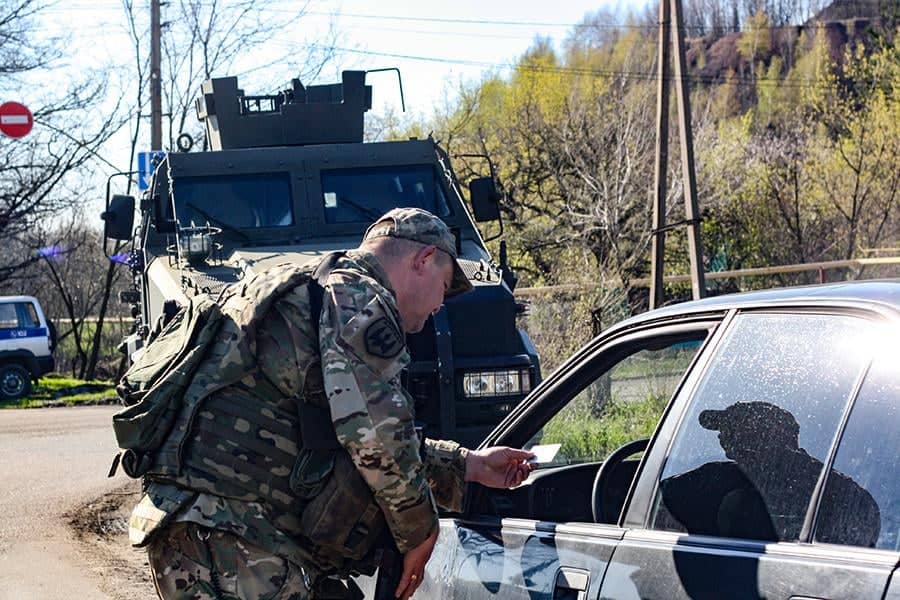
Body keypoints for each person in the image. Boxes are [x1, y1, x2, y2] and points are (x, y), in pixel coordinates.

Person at [127, 207, 535, 600]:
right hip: (237, 535)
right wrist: (420, 531)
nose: (439, 306)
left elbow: (332, 435)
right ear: (424, 259)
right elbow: (375, 437)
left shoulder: (301, 284)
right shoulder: (358, 297)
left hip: (191, 525)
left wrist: (468, 466)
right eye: (443, 287)